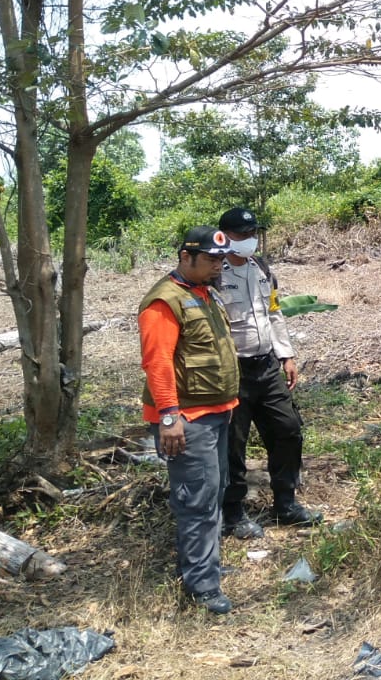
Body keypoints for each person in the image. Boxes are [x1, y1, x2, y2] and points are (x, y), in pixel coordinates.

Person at [139, 226, 239, 615]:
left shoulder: (203, 293)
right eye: (211, 260)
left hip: (215, 412)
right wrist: (168, 417)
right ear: (185, 257)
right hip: (187, 419)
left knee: (214, 492)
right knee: (196, 501)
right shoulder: (165, 301)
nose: (218, 265)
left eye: (220, 259)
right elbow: (157, 362)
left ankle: (205, 567)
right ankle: (201, 587)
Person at [217, 206, 322, 536]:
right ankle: (233, 512)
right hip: (233, 371)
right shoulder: (214, 274)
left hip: (266, 365)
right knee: (233, 442)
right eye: (242, 235)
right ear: (224, 237)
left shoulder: (260, 268)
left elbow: (274, 313)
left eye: (252, 234)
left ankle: (286, 502)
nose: (249, 240)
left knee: (287, 429)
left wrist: (286, 355)